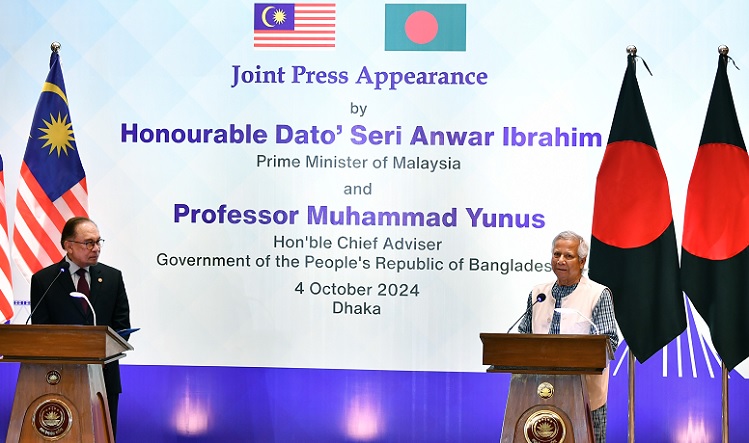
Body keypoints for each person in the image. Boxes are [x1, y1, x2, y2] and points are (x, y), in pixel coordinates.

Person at [30, 216, 131, 439]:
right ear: (68, 245)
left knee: (102, 436)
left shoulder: (113, 278)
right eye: (89, 243)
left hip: (104, 379)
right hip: (60, 378)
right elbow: (41, 333)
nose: (96, 248)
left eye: (98, 242)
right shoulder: (45, 280)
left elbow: (122, 327)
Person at [517, 230, 618, 443]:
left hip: (584, 395)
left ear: (582, 261)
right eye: (556, 254)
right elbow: (522, 339)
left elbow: (609, 341)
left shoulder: (598, 294)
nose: (560, 260)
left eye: (568, 256)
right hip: (539, 391)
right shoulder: (538, 294)